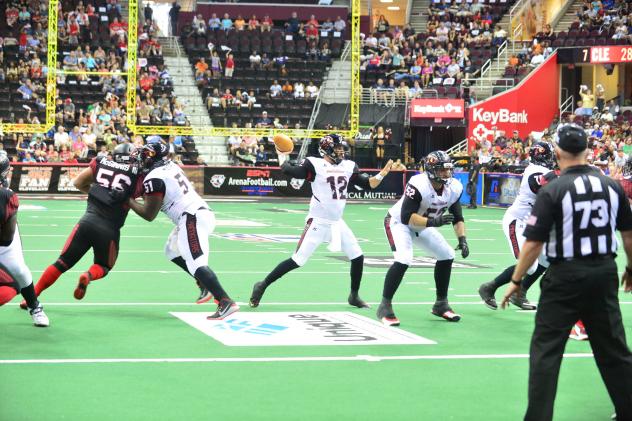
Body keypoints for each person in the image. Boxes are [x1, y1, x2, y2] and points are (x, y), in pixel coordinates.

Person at [500, 124, 632, 421]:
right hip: (603, 271)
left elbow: (533, 242)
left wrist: (516, 280)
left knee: (546, 350)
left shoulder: (554, 189)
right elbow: (628, 234)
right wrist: (631, 268)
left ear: (557, 151)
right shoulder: (611, 186)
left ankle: (538, 416)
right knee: (614, 349)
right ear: (588, 150)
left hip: (565, 276)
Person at [249, 135, 393, 309]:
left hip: (337, 222)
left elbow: (368, 184)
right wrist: (282, 155)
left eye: (342, 147)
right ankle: (262, 285)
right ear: (326, 149)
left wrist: (382, 174)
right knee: (298, 260)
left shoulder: (348, 166)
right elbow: (289, 170)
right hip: (318, 221)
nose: (341, 151)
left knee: (357, 257)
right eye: (337, 148)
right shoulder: (314, 164)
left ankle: (354, 295)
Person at [128, 142, 238, 320]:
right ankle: (204, 283)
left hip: (192, 217)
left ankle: (225, 301)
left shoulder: (154, 178)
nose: (142, 159)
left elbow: (149, 214)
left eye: (146, 155)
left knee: (196, 263)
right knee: (171, 251)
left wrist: (127, 200)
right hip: (195, 214)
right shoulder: (169, 166)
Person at [22, 144, 142, 306]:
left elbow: (78, 182)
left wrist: (98, 192)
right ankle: (88, 275)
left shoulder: (101, 162)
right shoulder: (138, 175)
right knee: (103, 265)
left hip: (87, 221)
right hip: (109, 229)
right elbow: (145, 202)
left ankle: (32, 297)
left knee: (61, 263)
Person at [378, 151, 469, 326]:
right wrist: (434, 221)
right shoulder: (418, 184)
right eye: (441, 170)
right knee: (403, 259)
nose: (446, 173)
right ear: (431, 169)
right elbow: (406, 217)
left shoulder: (454, 187)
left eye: (448, 169)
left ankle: (441, 304)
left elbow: (457, 216)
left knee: (447, 254)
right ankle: (384, 305)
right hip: (398, 222)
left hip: (424, 224)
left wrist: (462, 239)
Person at [478, 142, 556, 311]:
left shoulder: (541, 170)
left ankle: (519, 293)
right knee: (529, 264)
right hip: (518, 222)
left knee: (546, 259)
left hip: (533, 223)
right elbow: (541, 183)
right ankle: (489, 287)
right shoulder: (537, 171)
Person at [0, 155, 49, 327]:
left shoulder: (6, 196)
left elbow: (6, 239)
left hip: (3, 239)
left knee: (18, 270)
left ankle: (35, 306)